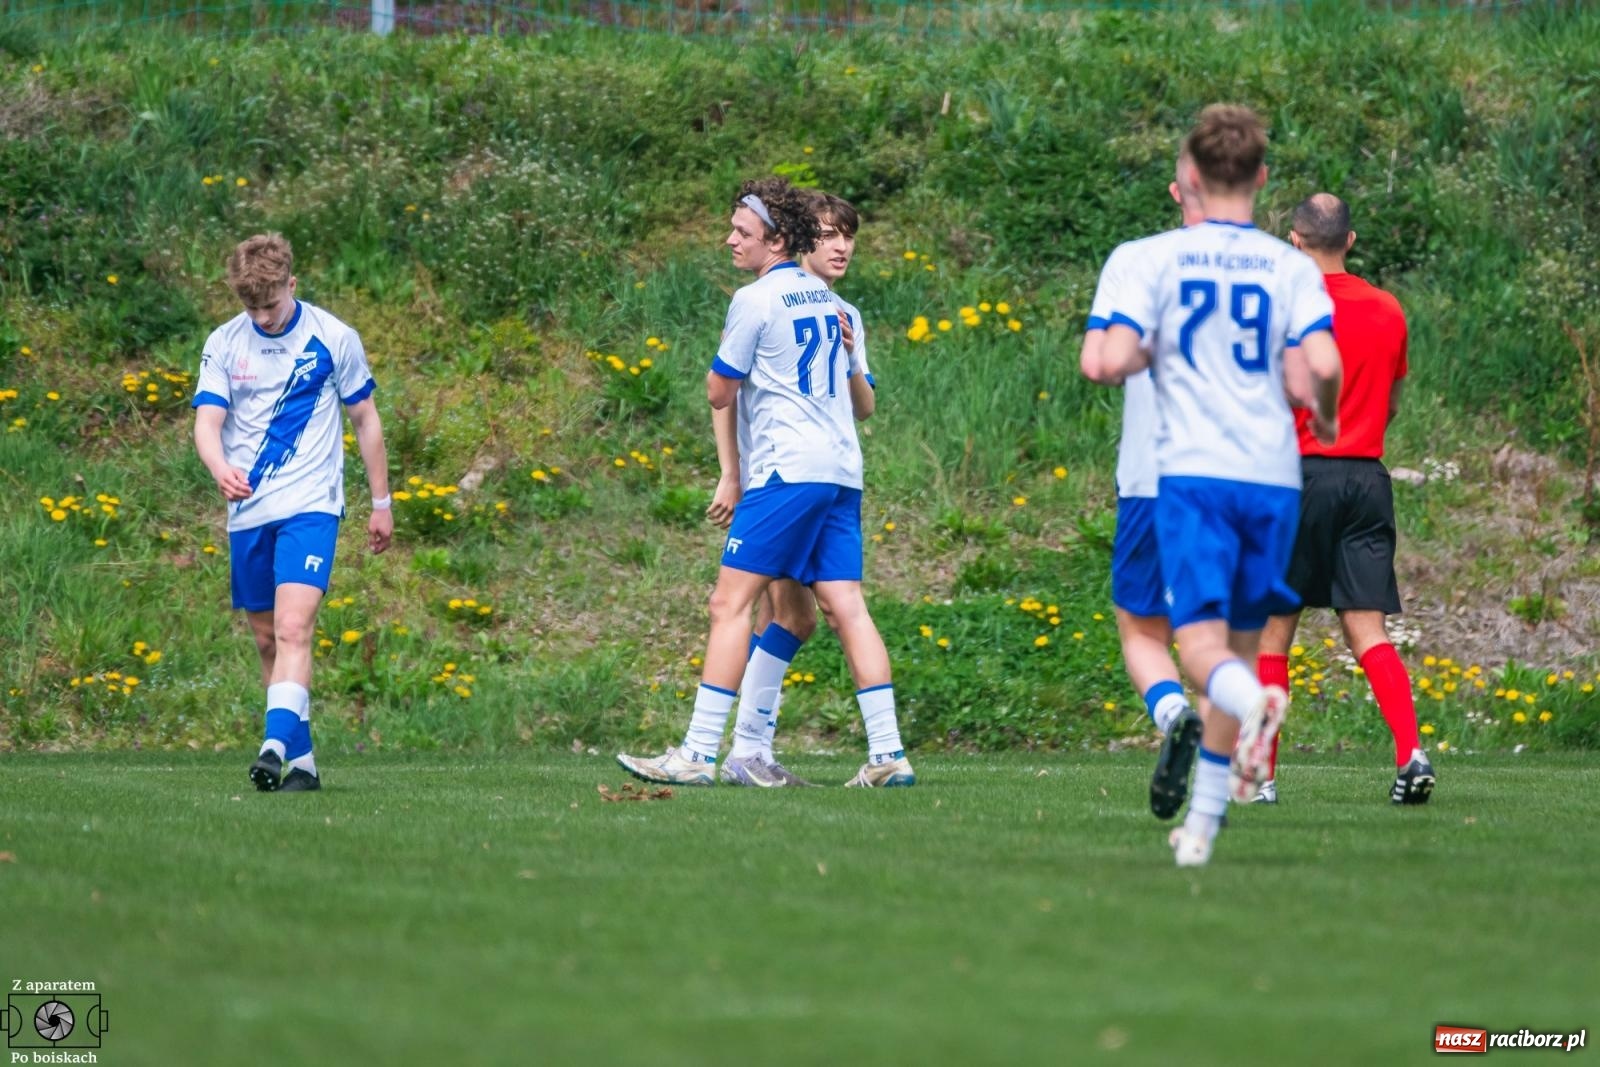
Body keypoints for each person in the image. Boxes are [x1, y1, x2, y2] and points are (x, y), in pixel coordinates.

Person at [1082, 105, 1343, 866]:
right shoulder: (1290, 266)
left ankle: (1253, 704)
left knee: (1196, 646)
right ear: (1262, 178)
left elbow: (1107, 361)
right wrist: (1325, 417)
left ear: (1190, 177)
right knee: (1240, 643)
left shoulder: (1150, 258)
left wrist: (1143, 354)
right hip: (1273, 477)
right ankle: (1200, 828)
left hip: (1193, 472)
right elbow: (1319, 368)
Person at [617, 177, 913, 788]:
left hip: (784, 473)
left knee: (729, 604)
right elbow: (854, 406)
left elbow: (718, 391)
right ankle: (885, 754)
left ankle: (698, 753)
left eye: (742, 232)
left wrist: (736, 463)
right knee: (838, 608)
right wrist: (732, 471)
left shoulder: (755, 300)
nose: (731, 240)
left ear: (776, 240)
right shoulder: (834, 305)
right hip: (840, 474)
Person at [192, 233, 393, 794]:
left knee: (293, 627)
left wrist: (382, 503)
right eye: (251, 306)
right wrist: (218, 467)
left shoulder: (333, 337)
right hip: (248, 510)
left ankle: (273, 746)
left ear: (292, 284)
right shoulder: (224, 342)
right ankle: (303, 766)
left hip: (311, 506)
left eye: (271, 304)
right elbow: (207, 422)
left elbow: (366, 420)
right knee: (267, 641)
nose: (262, 317)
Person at [1254, 193, 1435, 806]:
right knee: (1367, 629)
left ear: (1294, 240)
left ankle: (1262, 778)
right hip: (1366, 479)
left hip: (1296, 478)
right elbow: (1391, 402)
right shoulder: (1388, 309)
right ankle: (1410, 753)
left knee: (1273, 633)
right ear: (1350, 241)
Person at [704, 190, 877, 788]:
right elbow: (727, 399)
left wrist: (850, 360)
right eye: (826, 234)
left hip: (794, 478)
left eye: (847, 236)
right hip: (793, 477)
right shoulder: (782, 301)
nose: (839, 246)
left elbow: (861, 405)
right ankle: (750, 750)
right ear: (801, 240)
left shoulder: (827, 310)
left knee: (768, 610)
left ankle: (730, 750)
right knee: (788, 612)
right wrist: (731, 472)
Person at [1081, 149, 1210, 822]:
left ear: (1176, 190)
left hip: (1153, 474)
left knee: (1141, 628)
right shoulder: (1273, 264)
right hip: (1239, 477)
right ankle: (1226, 772)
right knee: (1219, 636)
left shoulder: (1137, 259)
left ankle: (1172, 712)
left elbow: (1099, 362)